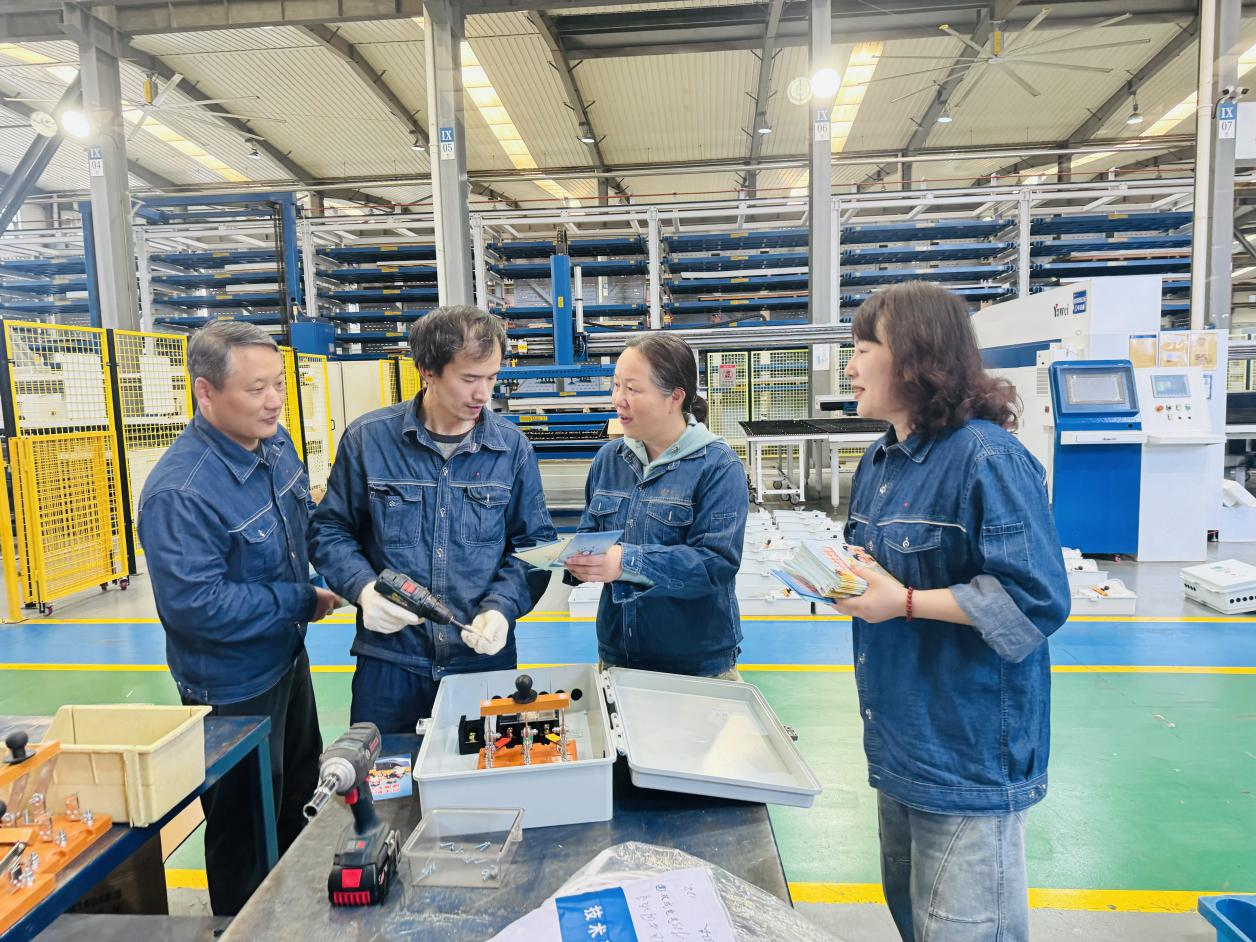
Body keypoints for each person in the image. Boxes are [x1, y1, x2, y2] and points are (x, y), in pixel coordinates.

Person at [833, 281, 1071, 942]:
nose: (849, 368)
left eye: (863, 349)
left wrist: (904, 601)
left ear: (916, 356)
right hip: (900, 740)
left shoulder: (988, 458)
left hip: (968, 752)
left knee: (965, 930)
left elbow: (1035, 598)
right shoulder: (881, 459)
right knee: (916, 919)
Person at [137, 321, 338, 916]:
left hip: (285, 659)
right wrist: (301, 600)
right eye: (256, 389)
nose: (274, 401)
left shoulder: (274, 446)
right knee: (245, 827)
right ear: (205, 391)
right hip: (231, 687)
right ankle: (244, 926)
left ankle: (297, 913)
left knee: (299, 792)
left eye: (278, 385)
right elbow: (197, 607)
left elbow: (306, 526)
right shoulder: (181, 492)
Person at [309, 305, 555, 733]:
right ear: (427, 370)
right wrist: (364, 589)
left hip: (479, 663)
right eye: (470, 378)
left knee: (482, 773)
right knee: (383, 773)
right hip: (390, 664)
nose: (483, 394)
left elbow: (534, 546)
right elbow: (330, 531)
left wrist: (501, 609)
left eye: (492, 378)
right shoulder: (369, 440)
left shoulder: (511, 448)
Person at [564, 332, 748, 678]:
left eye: (632, 389)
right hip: (619, 655)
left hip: (696, 665)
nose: (618, 399)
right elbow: (591, 533)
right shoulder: (609, 459)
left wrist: (626, 562)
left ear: (674, 397)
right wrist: (580, 561)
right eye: (616, 385)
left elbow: (715, 565)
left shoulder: (717, 465)